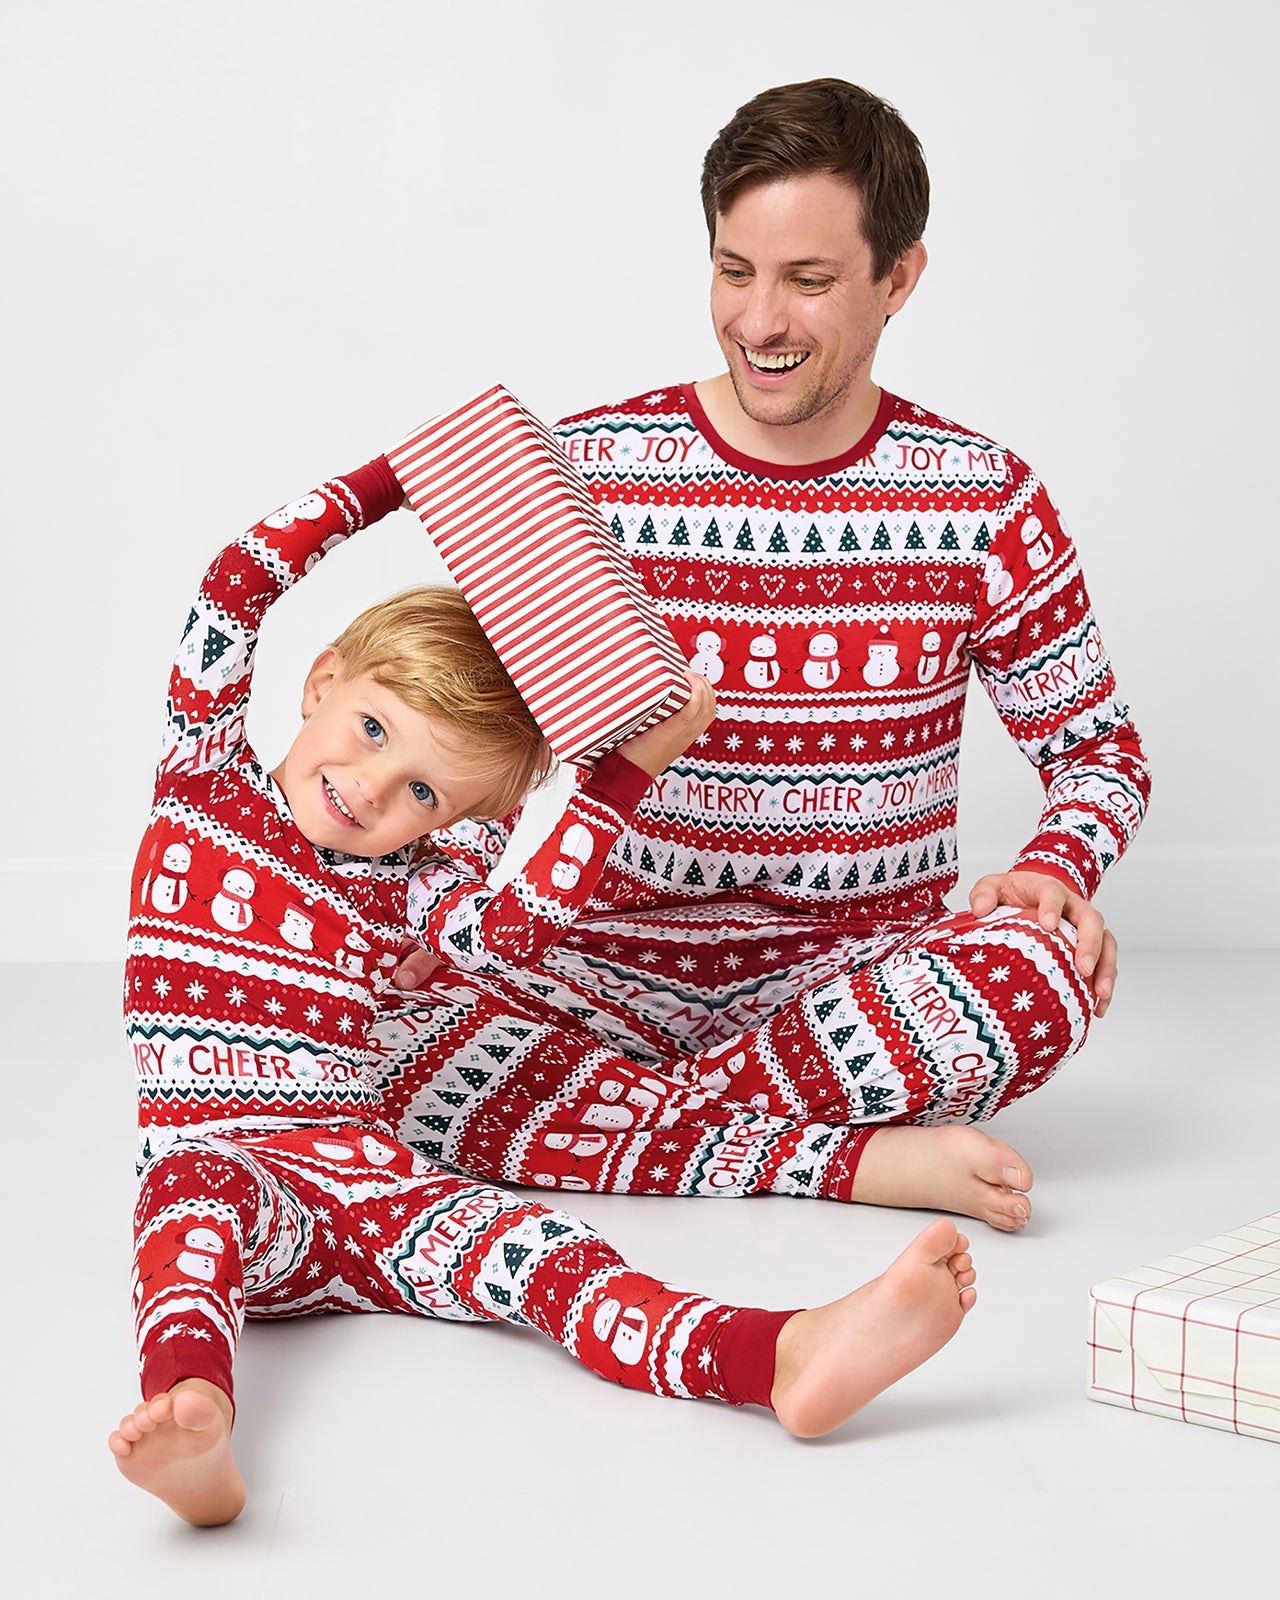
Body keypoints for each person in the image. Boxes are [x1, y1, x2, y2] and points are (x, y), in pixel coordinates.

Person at [109, 452, 979, 1527]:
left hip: (369, 1176)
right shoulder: (204, 779)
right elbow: (233, 582)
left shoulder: (417, 885)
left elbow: (511, 929)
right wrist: (393, 480)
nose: (369, 785)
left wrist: (622, 774)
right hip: (228, 1176)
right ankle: (194, 1409)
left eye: (420, 788)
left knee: (541, 1254)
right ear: (322, 678)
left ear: (444, 817)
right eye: (371, 730)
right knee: (187, 1200)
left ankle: (772, 1353)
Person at [380, 78, 1151, 1232]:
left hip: (850, 990)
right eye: (734, 272)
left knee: (1040, 970)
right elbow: (485, 741)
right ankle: (841, 1158)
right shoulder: (586, 469)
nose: (758, 321)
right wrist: (445, 915)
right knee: (364, 1025)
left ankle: (618, 1130)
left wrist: (1054, 868)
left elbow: (1097, 752)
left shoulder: (983, 496)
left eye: (808, 279)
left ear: (898, 279)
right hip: (591, 970)